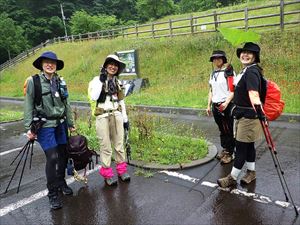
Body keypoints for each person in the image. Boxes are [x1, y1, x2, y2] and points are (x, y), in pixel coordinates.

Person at [24, 51, 76, 210]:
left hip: (60, 123)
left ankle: (61, 182)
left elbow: (66, 103)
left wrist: (70, 122)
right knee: (52, 157)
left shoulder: (60, 81)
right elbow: (28, 104)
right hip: (45, 125)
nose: (50, 64)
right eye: (46, 62)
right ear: (41, 64)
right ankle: (52, 193)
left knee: (63, 154)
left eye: (53, 62)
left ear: (56, 65)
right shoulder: (33, 81)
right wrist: (28, 128)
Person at [217, 42, 265, 188]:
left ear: (255, 57)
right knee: (249, 145)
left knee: (241, 147)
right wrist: (230, 75)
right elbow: (236, 90)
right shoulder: (246, 70)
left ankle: (232, 177)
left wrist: (260, 113)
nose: (245, 55)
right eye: (243, 52)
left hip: (249, 117)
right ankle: (251, 172)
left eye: (249, 53)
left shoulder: (251, 72)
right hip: (243, 115)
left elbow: (253, 93)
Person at [88, 54, 130, 186]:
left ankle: (122, 171)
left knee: (119, 145)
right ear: (106, 66)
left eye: (116, 65)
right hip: (102, 116)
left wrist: (125, 118)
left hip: (116, 114)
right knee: (105, 146)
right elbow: (94, 97)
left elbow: (121, 101)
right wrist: (101, 81)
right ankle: (107, 174)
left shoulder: (118, 82)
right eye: (110, 64)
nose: (113, 67)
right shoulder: (96, 80)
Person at [206, 50, 235, 164]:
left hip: (226, 104)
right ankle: (225, 149)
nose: (216, 60)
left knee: (229, 129)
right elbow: (211, 90)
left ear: (223, 59)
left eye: (219, 58)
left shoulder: (229, 72)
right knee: (222, 129)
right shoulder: (213, 73)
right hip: (216, 105)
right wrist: (208, 105)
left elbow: (233, 90)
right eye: (214, 58)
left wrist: (226, 103)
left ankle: (230, 153)